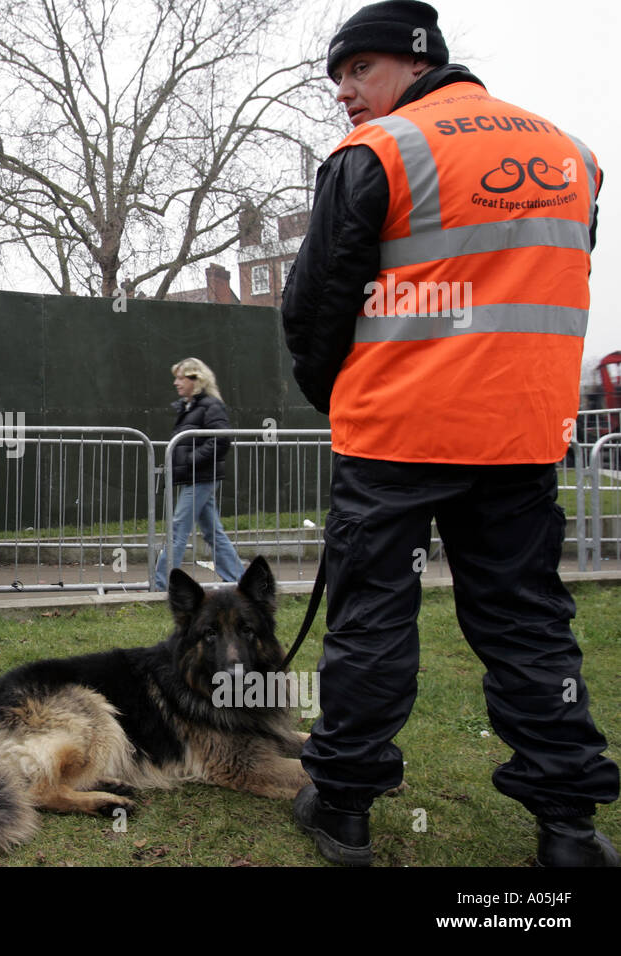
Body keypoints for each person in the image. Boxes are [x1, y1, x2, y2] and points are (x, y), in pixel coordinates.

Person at [283, 0, 617, 866]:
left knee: (372, 620)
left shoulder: (379, 152)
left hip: (397, 435)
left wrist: (338, 393)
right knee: (528, 624)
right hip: (521, 435)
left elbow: (314, 305)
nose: (345, 91)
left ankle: (344, 806)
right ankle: (569, 827)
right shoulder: (574, 155)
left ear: (417, 61)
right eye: (338, 76)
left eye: (360, 69)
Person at [153, 358, 243, 590]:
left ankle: (161, 584)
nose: (176, 383)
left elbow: (221, 439)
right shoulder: (191, 407)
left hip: (201, 478)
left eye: (181, 378)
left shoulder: (210, 406)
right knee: (213, 532)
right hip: (197, 477)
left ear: (197, 380)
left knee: (178, 529)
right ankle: (238, 579)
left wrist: (192, 460)